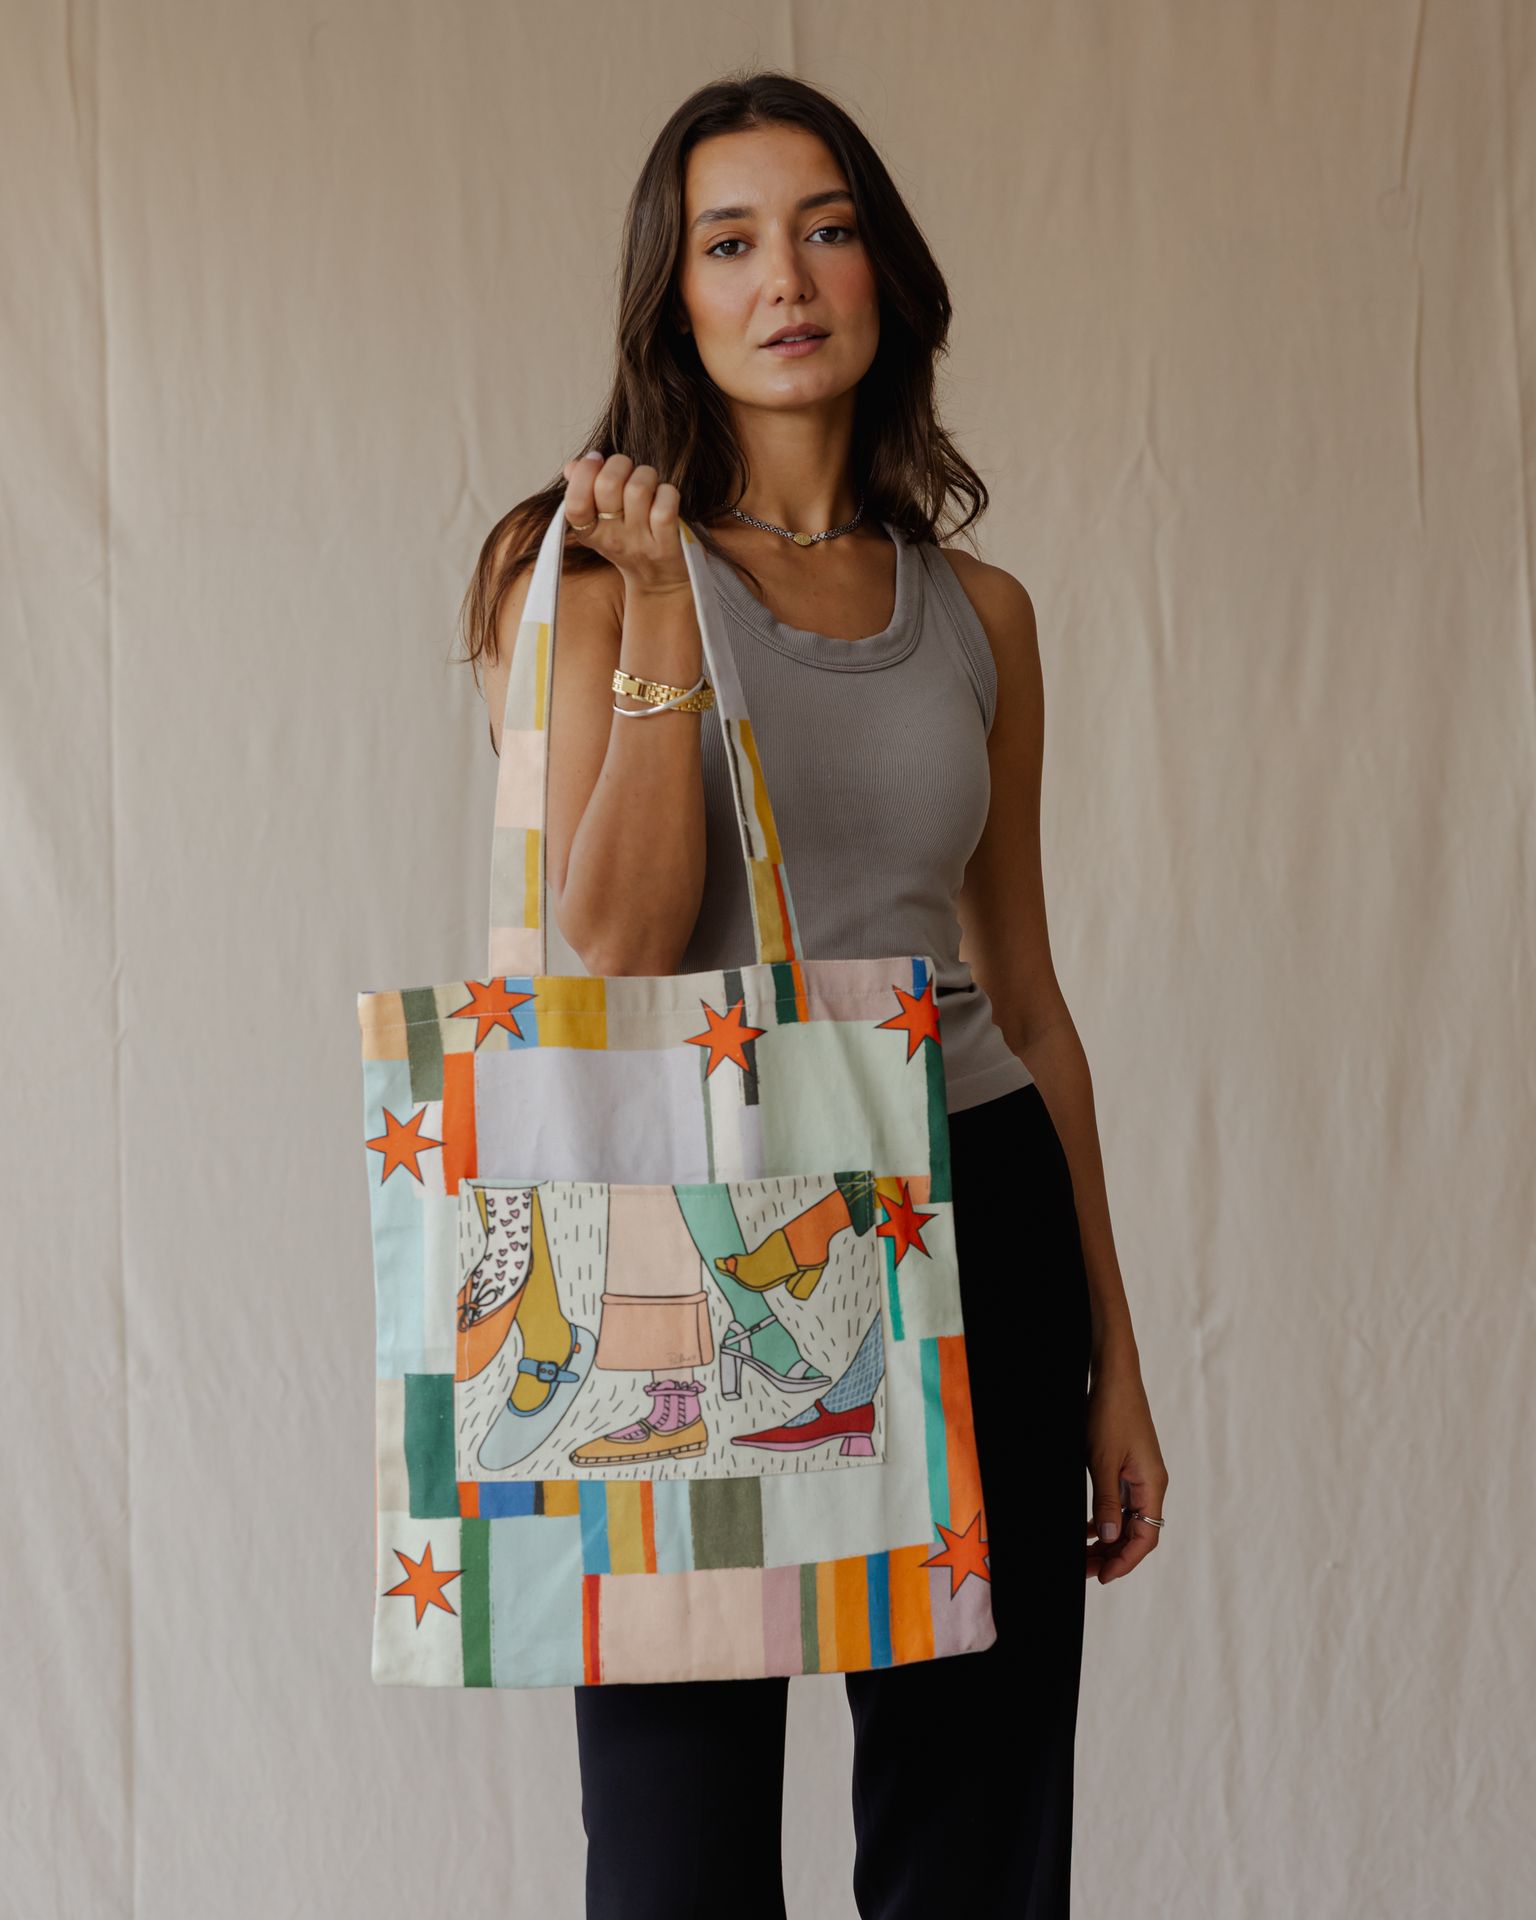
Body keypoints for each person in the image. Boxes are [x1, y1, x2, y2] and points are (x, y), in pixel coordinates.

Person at [458, 66, 1168, 1920]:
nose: (786, 276)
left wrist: (1114, 1355)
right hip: (685, 1235)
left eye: (827, 228)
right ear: (674, 299)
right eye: (730, 241)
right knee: (675, 1863)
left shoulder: (981, 612)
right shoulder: (577, 571)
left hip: (974, 1211)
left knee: (975, 1851)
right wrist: (667, 619)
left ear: (885, 275)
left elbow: (1027, 990)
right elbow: (615, 949)